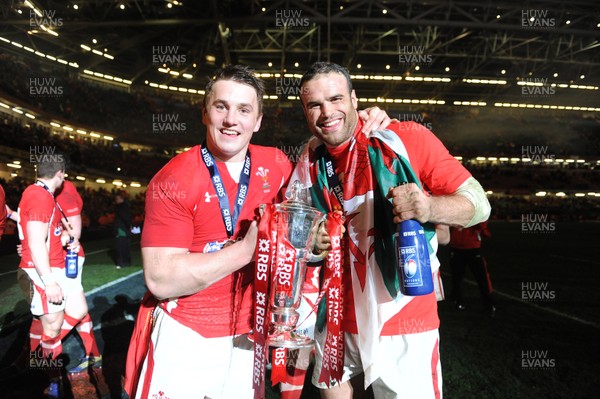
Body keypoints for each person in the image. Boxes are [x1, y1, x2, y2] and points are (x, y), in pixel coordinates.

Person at [123, 64, 392, 399]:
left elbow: (325, 146)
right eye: (221, 107)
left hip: (249, 336)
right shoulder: (173, 179)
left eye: (243, 110)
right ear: (205, 113)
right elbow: (160, 280)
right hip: (187, 335)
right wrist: (246, 249)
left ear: (258, 120)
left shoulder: (277, 165)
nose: (231, 120)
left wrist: (361, 119)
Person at [290, 62, 491, 399]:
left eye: (336, 99)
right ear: (305, 112)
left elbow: (479, 204)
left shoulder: (403, 138)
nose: (327, 112)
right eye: (315, 105)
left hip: (402, 318)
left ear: (355, 99)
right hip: (336, 316)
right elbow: (295, 236)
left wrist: (430, 208)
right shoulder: (307, 160)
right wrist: (313, 240)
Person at [449, 221, 495, 316]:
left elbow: (482, 224)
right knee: (456, 277)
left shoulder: (477, 208)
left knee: (482, 278)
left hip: (472, 247)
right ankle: (457, 301)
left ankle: (489, 305)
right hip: (457, 247)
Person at [114, 192, 132, 268]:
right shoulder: (126, 206)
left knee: (121, 247)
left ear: (121, 199)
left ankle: (121, 262)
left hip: (122, 229)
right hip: (125, 229)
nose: (116, 200)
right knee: (125, 246)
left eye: (117, 199)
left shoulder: (121, 207)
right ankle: (126, 262)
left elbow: (124, 219)